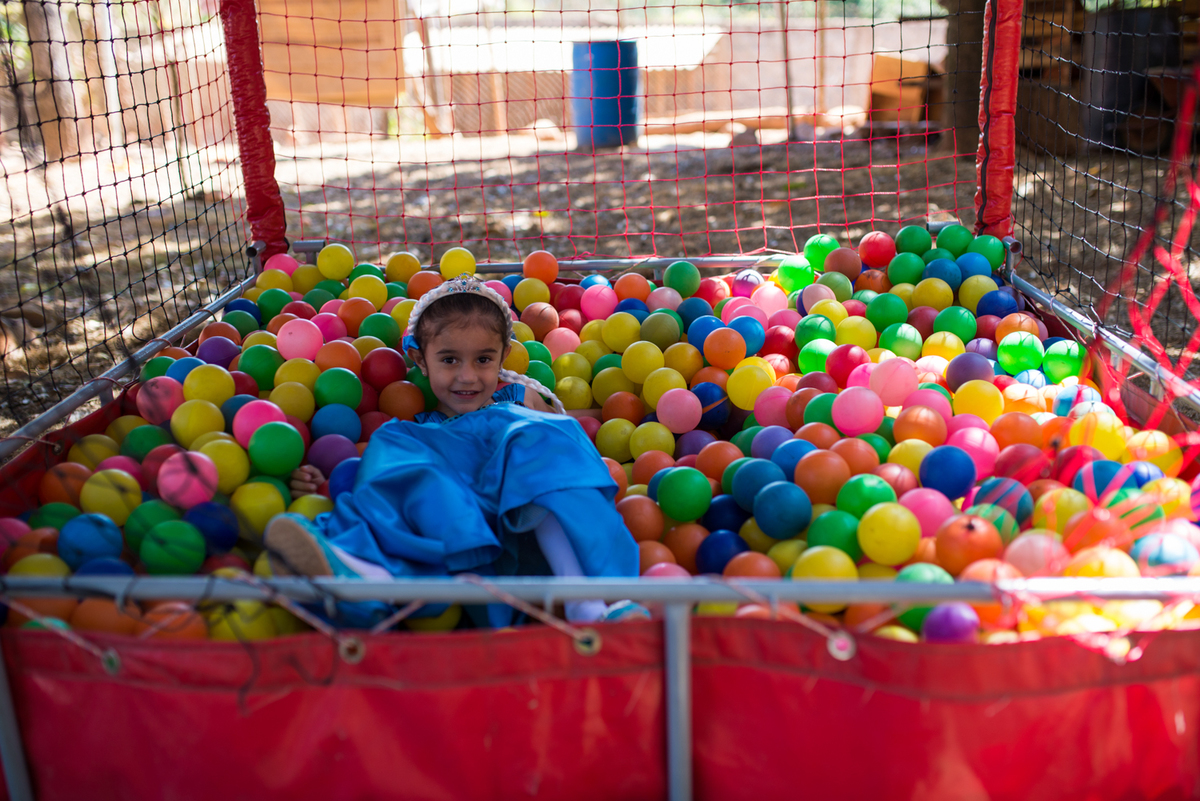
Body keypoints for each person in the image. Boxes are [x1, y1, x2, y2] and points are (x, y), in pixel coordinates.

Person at [264, 275, 641, 627]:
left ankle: (590, 602)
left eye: (483, 359)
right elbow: (389, 486)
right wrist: (324, 485)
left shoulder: (517, 401)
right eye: (449, 360)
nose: (467, 376)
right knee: (391, 443)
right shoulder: (418, 436)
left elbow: (567, 444)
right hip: (465, 528)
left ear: (503, 355)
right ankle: (367, 576)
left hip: (526, 531)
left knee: (545, 435)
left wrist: (630, 412)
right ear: (420, 360)